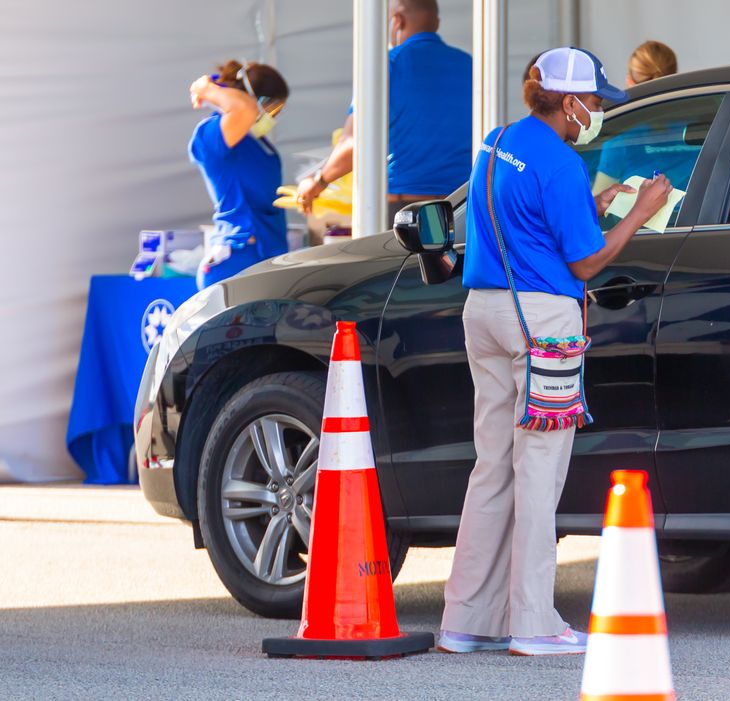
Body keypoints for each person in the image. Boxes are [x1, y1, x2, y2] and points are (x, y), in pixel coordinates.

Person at [438, 46, 672, 656]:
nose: (597, 110)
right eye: (593, 101)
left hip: (484, 313)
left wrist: (595, 208)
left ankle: (465, 621)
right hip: (543, 325)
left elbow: (527, 221)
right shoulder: (564, 164)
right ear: (568, 102)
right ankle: (535, 625)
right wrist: (639, 215)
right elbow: (586, 261)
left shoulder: (497, 141)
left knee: (492, 469)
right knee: (538, 474)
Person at [296, 0, 471, 226]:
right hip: (460, 210)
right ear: (436, 22)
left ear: (397, 20)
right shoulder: (470, 66)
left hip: (405, 212)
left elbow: (353, 143)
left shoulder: (387, 65)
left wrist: (318, 181)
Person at [188, 60, 290, 289]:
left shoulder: (257, 142)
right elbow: (245, 109)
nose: (272, 118)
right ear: (254, 101)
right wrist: (208, 90)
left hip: (267, 257)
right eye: (272, 109)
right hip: (237, 259)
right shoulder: (212, 135)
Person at [592, 40, 684, 193]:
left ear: (629, 81)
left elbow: (597, 202)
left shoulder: (621, 136)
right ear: (674, 75)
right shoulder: (703, 121)